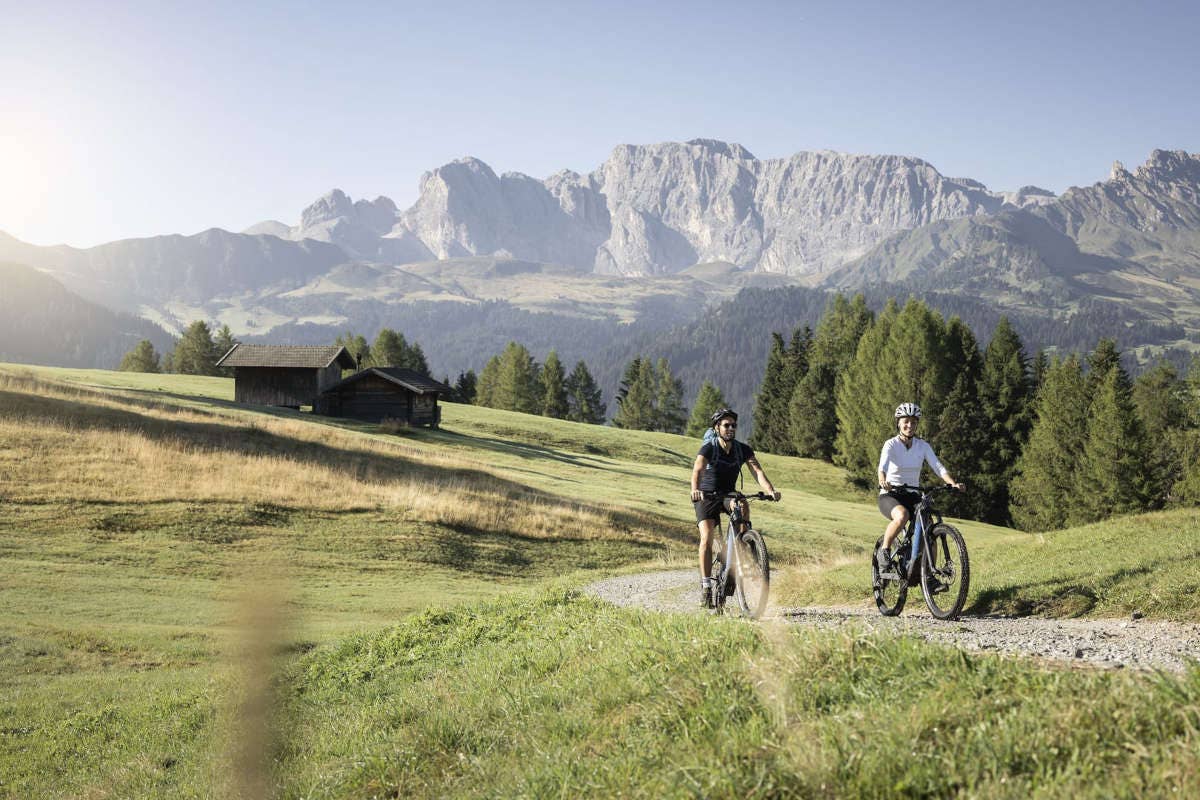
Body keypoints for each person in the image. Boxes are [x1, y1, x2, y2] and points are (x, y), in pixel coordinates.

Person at [689, 408, 781, 608]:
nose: (731, 428)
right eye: (726, 425)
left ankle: (741, 544)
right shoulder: (709, 448)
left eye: (734, 425)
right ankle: (706, 587)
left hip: (727, 494)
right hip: (706, 495)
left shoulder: (742, 449)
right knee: (707, 537)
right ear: (717, 428)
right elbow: (697, 470)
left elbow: (757, 471)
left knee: (742, 503)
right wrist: (695, 490)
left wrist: (771, 490)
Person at [875, 402, 964, 572]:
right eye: (906, 421)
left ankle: (930, 575)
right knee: (902, 515)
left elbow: (938, 467)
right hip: (891, 494)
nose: (910, 425)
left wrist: (952, 483)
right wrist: (883, 480)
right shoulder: (891, 444)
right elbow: (882, 466)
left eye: (914, 422)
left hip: (913, 495)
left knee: (929, 528)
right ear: (899, 423)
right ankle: (884, 550)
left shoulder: (922, 446)